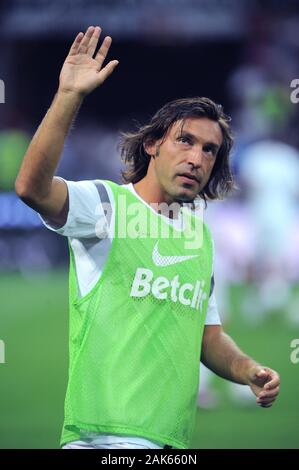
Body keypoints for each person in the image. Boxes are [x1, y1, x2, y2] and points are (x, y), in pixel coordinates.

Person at [15, 26, 280, 450]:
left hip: (169, 445)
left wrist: (246, 368)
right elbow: (32, 187)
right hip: (101, 440)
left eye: (209, 150)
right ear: (154, 144)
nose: (196, 158)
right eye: (185, 141)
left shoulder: (200, 237)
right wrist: (69, 96)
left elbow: (207, 336)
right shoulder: (105, 206)